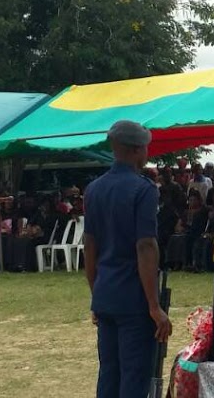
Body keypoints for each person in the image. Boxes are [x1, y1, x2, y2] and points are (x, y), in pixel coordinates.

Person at [83, 120, 172, 397]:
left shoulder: (94, 189)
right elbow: (145, 246)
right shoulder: (143, 189)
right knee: (134, 376)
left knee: (109, 373)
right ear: (137, 150)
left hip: (106, 291)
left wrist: (96, 293)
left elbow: (89, 246)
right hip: (134, 296)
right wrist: (154, 306)